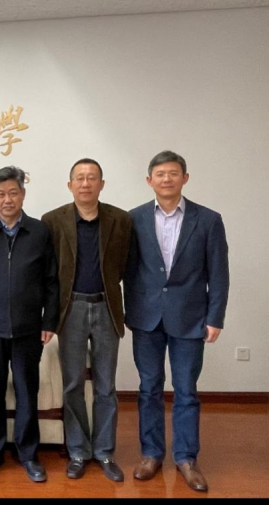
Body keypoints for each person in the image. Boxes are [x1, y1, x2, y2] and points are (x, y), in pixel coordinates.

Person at [125, 150, 230, 492]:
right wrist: (131, 311)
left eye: (173, 173)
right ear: (149, 180)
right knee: (149, 388)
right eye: (160, 174)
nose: (166, 179)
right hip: (147, 318)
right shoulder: (134, 219)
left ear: (185, 178)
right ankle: (151, 454)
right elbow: (128, 270)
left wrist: (215, 317)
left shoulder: (208, 219)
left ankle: (186, 458)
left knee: (186, 390)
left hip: (190, 317)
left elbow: (219, 272)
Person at [0, 166, 59, 482]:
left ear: (23, 194)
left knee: (26, 391)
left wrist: (49, 321)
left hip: (28, 329)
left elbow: (51, 281)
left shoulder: (39, 232)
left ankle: (28, 454)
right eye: (1, 194)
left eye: (13, 193)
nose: (7, 199)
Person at [41, 159, 132, 482]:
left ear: (101, 184)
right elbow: (48, 274)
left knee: (106, 385)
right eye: (79, 178)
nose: (85, 183)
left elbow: (127, 266)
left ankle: (104, 451)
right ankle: (78, 451)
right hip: (72, 310)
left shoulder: (121, 220)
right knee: (73, 384)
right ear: (70, 185)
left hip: (106, 308)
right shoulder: (52, 221)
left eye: (92, 178)